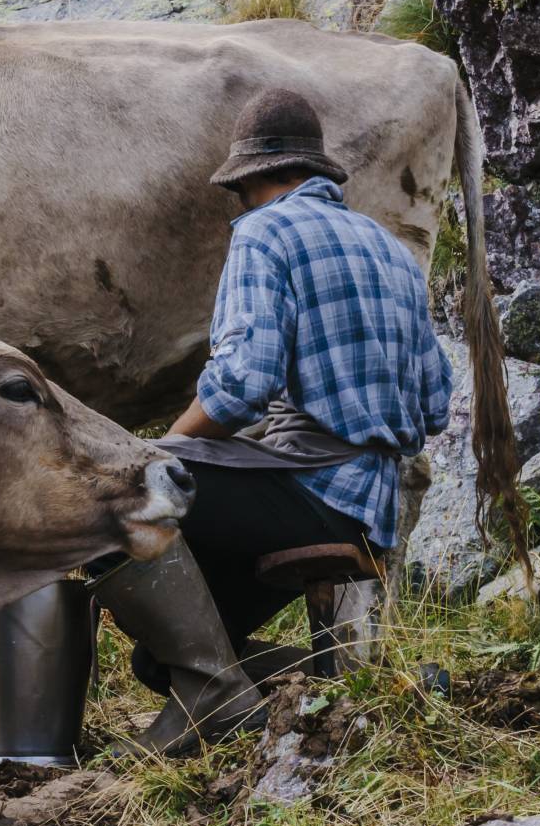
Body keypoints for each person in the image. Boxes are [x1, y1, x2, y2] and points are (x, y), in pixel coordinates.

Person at [89, 89, 454, 756]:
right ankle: (332, 686)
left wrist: (156, 453)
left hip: (312, 493)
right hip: (371, 511)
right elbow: (435, 406)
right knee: (157, 661)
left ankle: (211, 699)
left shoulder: (265, 232)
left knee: (124, 481)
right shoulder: (394, 253)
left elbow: (240, 387)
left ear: (251, 181)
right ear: (314, 171)